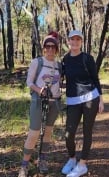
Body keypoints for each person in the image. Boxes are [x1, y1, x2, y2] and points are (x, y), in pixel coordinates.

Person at [61, 30, 104, 177]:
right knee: (69, 133)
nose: (75, 42)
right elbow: (60, 78)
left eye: (78, 39)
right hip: (73, 101)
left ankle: (82, 164)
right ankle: (72, 159)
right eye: (72, 39)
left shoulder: (87, 58)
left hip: (91, 98)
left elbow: (95, 78)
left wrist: (101, 99)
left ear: (81, 41)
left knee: (87, 131)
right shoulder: (65, 59)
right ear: (68, 41)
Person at [18, 33, 61, 177]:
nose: (50, 49)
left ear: (56, 49)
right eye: (47, 46)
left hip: (54, 102)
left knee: (48, 132)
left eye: (53, 46)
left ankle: (42, 160)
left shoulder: (59, 65)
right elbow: (29, 82)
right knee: (34, 133)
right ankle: (24, 166)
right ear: (44, 48)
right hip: (38, 101)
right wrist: (39, 90)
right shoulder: (37, 62)